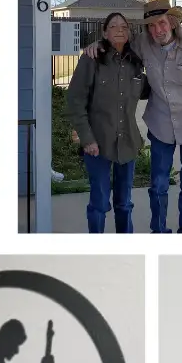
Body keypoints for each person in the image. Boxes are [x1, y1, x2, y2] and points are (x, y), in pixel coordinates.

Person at [85, 0, 182, 232]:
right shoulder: (143, 43)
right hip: (160, 124)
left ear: (173, 22)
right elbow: (118, 41)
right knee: (158, 186)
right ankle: (159, 231)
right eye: (152, 25)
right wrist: (97, 44)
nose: (157, 30)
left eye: (162, 23)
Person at [66, 12, 147, 233]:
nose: (120, 29)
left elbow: (147, 90)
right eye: (113, 26)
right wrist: (86, 138)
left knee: (124, 204)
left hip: (128, 143)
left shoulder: (135, 63)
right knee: (99, 204)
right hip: (98, 145)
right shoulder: (91, 59)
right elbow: (75, 101)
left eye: (124, 26)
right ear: (104, 32)